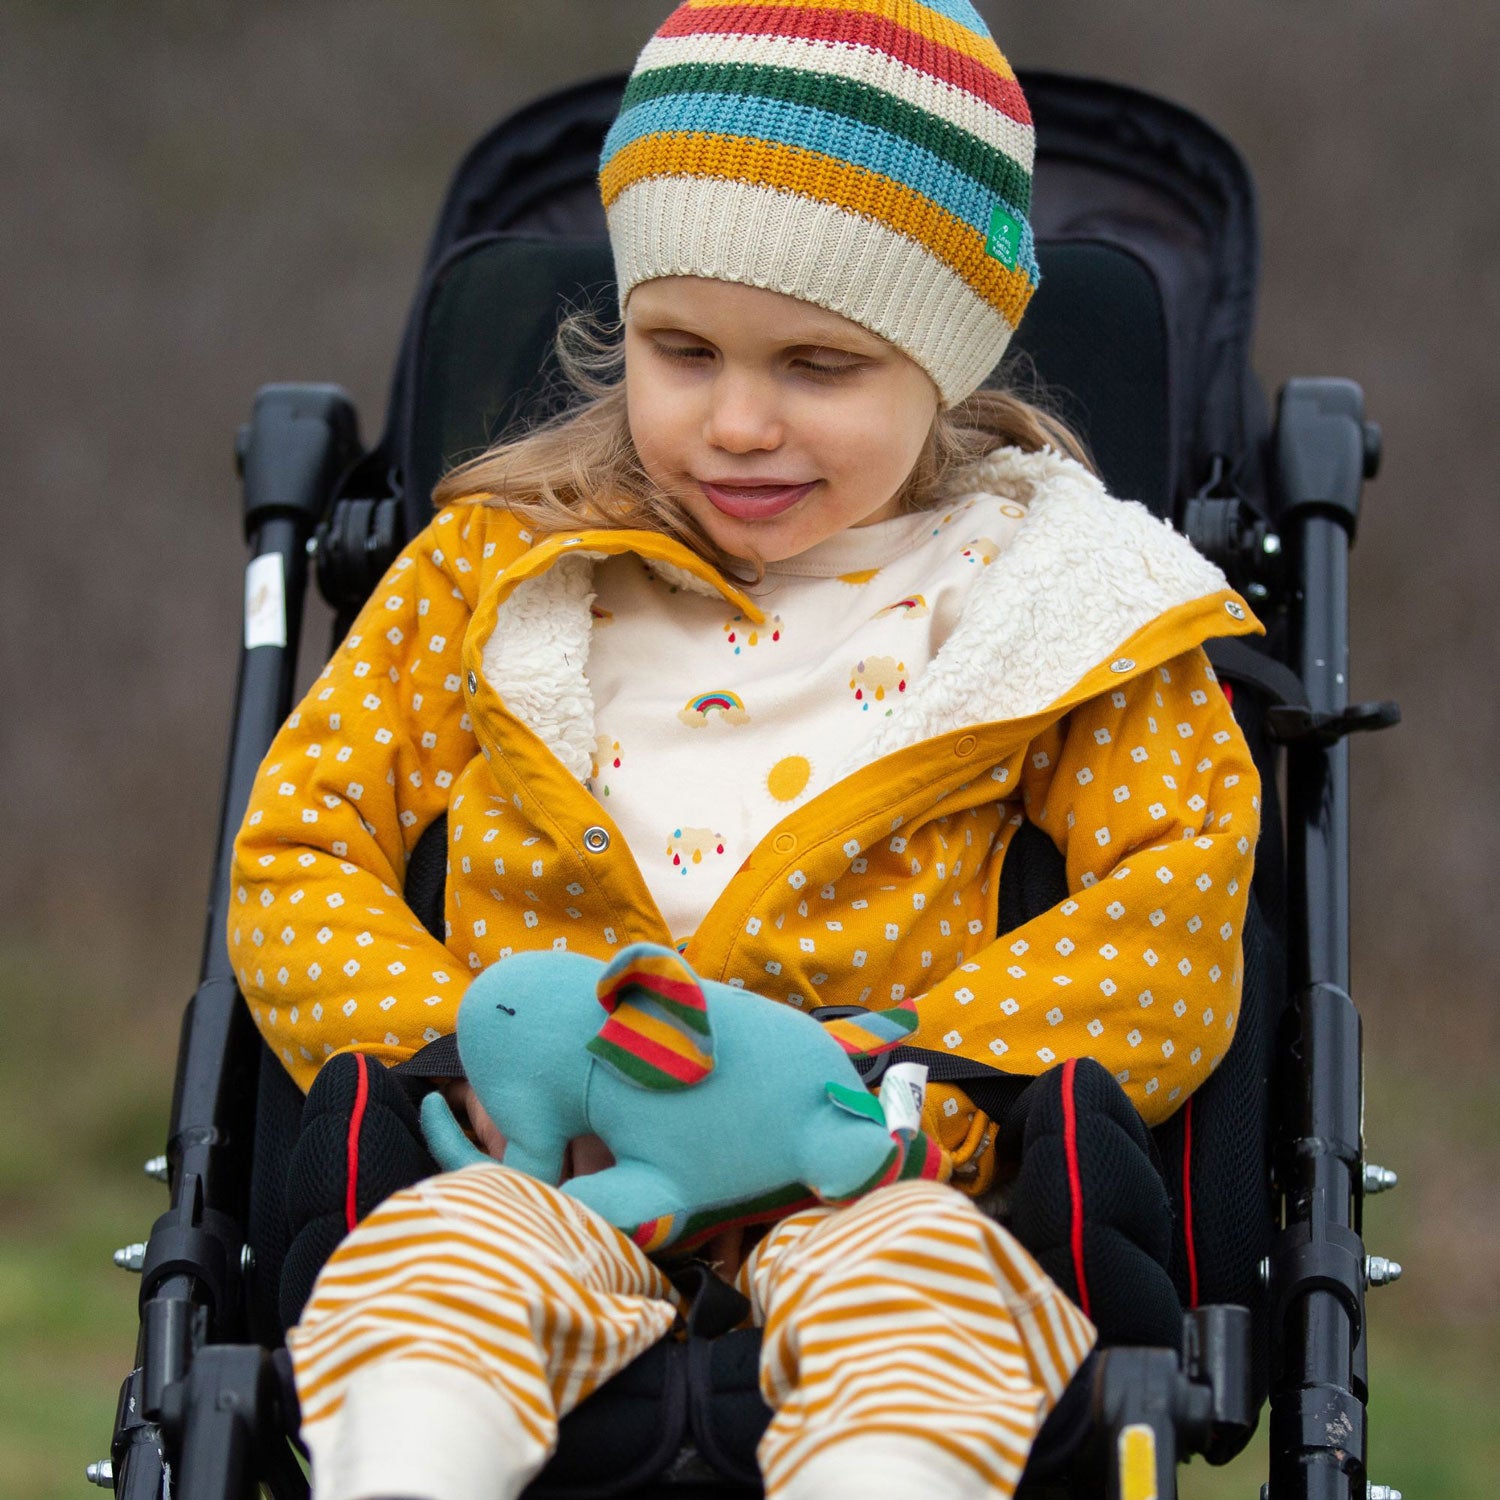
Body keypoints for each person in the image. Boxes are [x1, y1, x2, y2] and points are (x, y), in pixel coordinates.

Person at [230, 2, 1263, 1495]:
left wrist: (934, 1080)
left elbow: (1172, 900)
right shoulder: (495, 569)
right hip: (542, 1157)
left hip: (875, 1159)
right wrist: (457, 1060)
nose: (737, 421)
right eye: (681, 349)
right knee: (419, 1286)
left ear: (944, 360)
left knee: (941, 1311)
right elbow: (302, 841)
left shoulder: (1056, 599)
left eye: (819, 367)